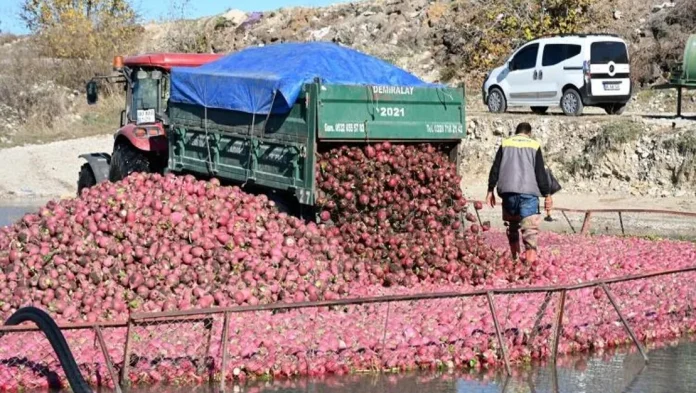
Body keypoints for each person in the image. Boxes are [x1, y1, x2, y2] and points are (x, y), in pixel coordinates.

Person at [486, 122, 552, 263]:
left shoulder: (505, 143)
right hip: (528, 193)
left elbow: (495, 168)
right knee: (530, 231)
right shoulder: (534, 145)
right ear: (529, 133)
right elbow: (540, 173)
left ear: (516, 132)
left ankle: (515, 259)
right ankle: (529, 265)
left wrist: (490, 190)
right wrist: (547, 194)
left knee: (513, 226)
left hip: (508, 193)